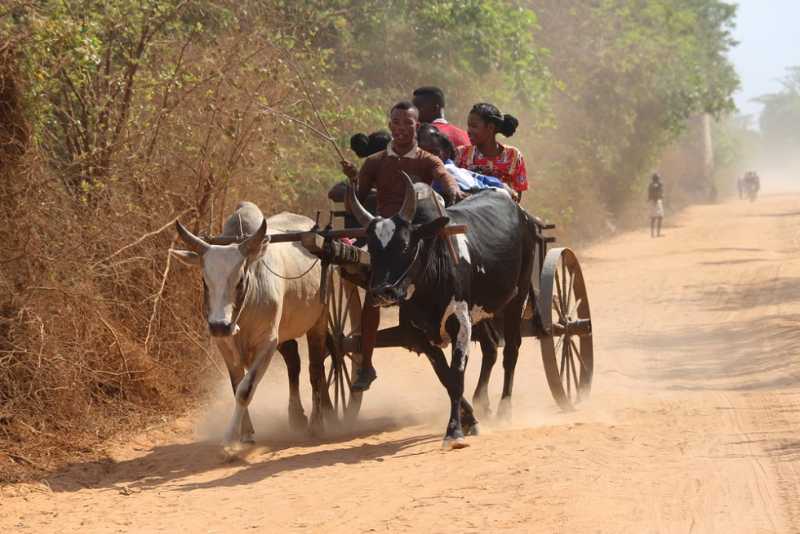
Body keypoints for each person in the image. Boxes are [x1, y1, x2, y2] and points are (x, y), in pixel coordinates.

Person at [340, 101, 462, 392]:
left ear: (416, 126)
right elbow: (357, 195)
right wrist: (353, 178)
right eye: (396, 123)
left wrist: (454, 189)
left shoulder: (427, 160)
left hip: (417, 239)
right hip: (384, 238)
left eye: (408, 123)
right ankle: (366, 366)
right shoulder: (375, 162)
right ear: (391, 125)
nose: (401, 129)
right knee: (373, 292)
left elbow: (445, 177)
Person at [455, 103, 528, 202]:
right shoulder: (461, 154)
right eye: (468, 126)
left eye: (474, 126)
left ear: (490, 128)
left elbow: (516, 200)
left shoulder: (513, 156)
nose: (468, 131)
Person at [417, 123, 506, 192]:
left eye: (434, 152)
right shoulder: (418, 174)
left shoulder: (449, 170)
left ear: (446, 153)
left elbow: (487, 184)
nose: (430, 157)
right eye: (423, 154)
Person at [648, 173, 665, 237]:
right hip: (656, 202)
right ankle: (658, 233)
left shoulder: (651, 185)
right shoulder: (657, 184)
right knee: (660, 217)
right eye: (658, 178)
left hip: (652, 201)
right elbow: (659, 192)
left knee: (653, 218)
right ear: (657, 179)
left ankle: (652, 234)